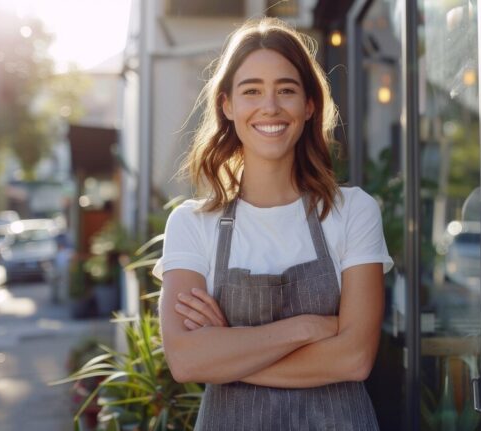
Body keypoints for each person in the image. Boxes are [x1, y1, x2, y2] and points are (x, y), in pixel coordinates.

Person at [154, 17, 393, 430]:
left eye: (286, 90)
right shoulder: (192, 224)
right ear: (227, 105)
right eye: (252, 91)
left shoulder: (353, 211)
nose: (270, 106)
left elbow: (354, 359)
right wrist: (309, 328)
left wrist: (226, 353)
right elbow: (186, 359)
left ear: (309, 105)